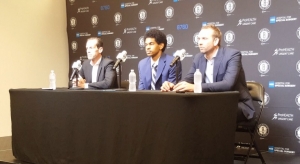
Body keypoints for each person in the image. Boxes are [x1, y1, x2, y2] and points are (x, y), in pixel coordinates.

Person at [161, 25, 255, 123]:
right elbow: (188, 79)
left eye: (204, 39)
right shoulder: (198, 58)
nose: (200, 42)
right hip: (209, 104)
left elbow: (227, 84)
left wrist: (195, 87)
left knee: (209, 112)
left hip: (236, 104)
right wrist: (174, 86)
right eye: (199, 39)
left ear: (216, 41)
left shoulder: (232, 55)